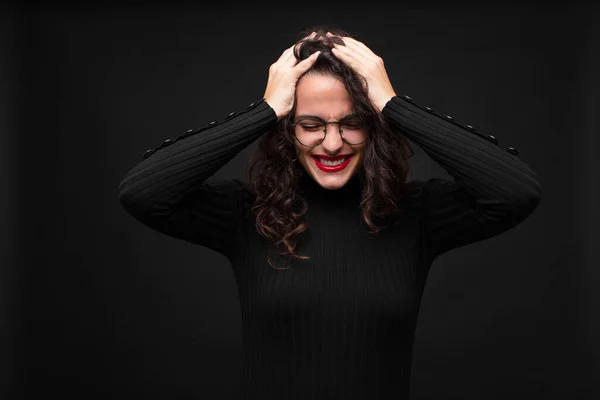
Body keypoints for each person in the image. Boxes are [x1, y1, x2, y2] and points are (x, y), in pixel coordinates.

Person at [118, 27, 541, 400]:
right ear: (288, 130)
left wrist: (392, 104)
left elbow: (516, 192)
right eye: (311, 124)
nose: (333, 143)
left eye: (352, 122)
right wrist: (264, 111)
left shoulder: (416, 213)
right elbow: (142, 192)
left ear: (373, 126)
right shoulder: (247, 213)